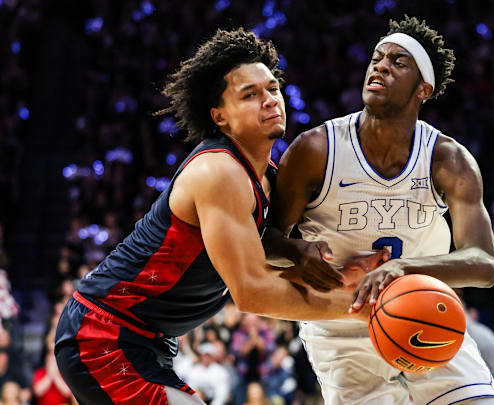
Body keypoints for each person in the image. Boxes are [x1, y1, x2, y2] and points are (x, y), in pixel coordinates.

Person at [54, 27, 377, 405]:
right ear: (219, 117)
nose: (270, 100)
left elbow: (254, 260)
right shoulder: (219, 172)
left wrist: (337, 274)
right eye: (250, 94)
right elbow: (252, 291)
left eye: (272, 89)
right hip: (104, 331)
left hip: (147, 339)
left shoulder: (268, 177)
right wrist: (363, 310)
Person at [263, 16, 494, 405]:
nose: (381, 66)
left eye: (398, 62)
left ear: (424, 88)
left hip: (424, 311)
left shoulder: (448, 159)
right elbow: (267, 240)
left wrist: (405, 268)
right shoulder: (315, 150)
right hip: (338, 321)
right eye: (377, 58)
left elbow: (484, 262)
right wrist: (294, 251)